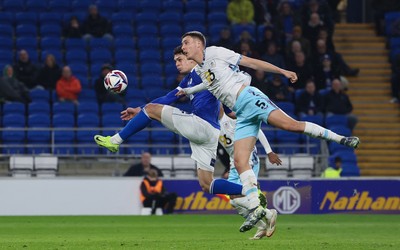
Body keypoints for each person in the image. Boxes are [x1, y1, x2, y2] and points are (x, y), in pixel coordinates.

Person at [177, 31, 359, 232]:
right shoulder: (202, 69)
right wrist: (188, 91)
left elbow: (252, 63)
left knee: (291, 125)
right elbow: (208, 83)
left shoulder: (215, 52)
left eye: (185, 43)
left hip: (248, 98)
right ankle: (257, 207)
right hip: (242, 114)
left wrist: (282, 71)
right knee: (239, 161)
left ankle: (341, 139)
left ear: (198, 44)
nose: (183, 47)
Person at [94, 46, 246, 208]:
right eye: (175, 61)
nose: (177, 64)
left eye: (180, 60)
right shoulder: (189, 79)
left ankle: (115, 141)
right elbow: (168, 98)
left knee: (152, 110)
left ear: (190, 57)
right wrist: (141, 110)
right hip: (211, 133)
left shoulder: (203, 71)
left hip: (201, 125)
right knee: (206, 183)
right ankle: (250, 192)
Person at [218, 106, 281, 239]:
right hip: (234, 160)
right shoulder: (213, 124)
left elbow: (256, 130)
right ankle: (263, 225)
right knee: (234, 201)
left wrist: (269, 151)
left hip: (247, 157)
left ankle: (268, 214)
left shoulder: (232, 118)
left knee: (235, 197)